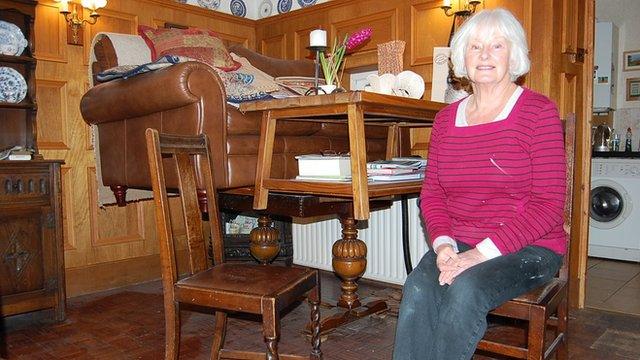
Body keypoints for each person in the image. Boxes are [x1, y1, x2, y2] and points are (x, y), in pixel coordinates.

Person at [393, 8, 567, 360]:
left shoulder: (538, 112)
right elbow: (434, 194)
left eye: (497, 46)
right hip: (459, 240)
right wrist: (443, 246)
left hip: (531, 247)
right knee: (417, 286)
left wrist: (477, 255)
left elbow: (548, 206)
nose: (485, 55)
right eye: (475, 47)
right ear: (462, 59)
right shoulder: (444, 120)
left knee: (465, 288)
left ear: (513, 55)